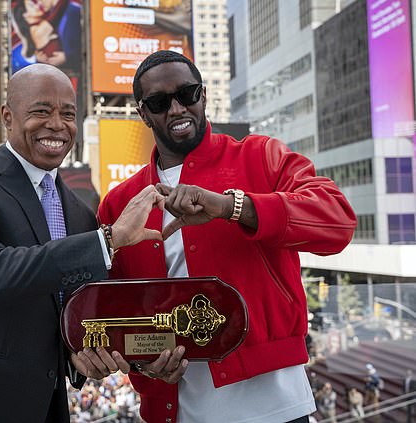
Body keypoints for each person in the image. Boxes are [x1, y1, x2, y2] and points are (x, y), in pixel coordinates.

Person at [97, 50, 357, 423]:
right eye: (159, 102)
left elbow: (338, 220)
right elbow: (119, 312)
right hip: (173, 408)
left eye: (186, 94)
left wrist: (232, 207)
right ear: (142, 112)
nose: (176, 109)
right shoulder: (120, 202)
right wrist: (143, 366)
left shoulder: (261, 156)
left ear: (203, 95)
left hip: (277, 403)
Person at [0, 63, 164, 423]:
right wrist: (109, 239)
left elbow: (71, 317)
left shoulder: (79, 213)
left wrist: (93, 356)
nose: (57, 125)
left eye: (68, 114)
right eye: (41, 111)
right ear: (8, 117)